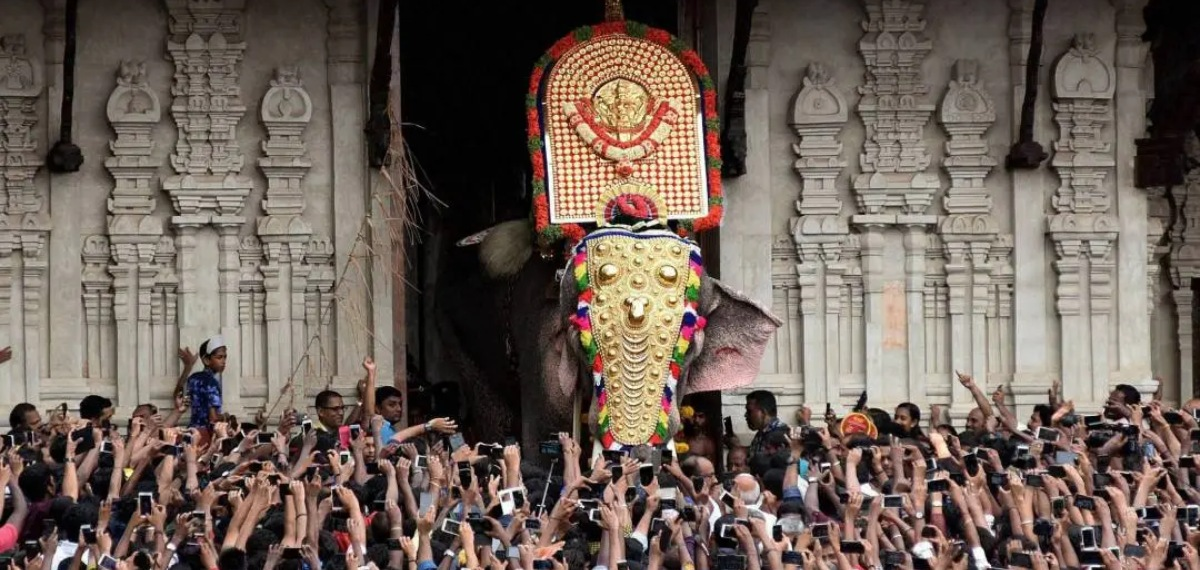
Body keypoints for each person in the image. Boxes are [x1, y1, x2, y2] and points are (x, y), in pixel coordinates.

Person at [184, 336, 226, 440]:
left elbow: (180, 396)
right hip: (205, 435)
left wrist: (188, 367)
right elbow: (213, 418)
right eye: (219, 357)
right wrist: (226, 416)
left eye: (225, 357)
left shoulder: (193, 378)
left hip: (191, 432)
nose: (223, 361)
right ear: (206, 360)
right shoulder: (212, 383)